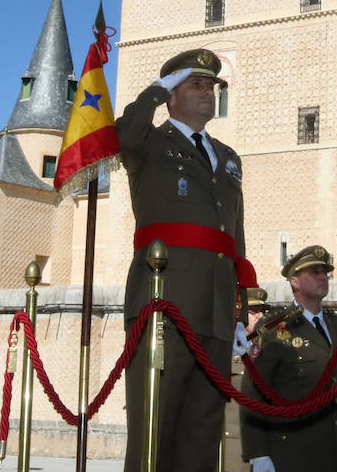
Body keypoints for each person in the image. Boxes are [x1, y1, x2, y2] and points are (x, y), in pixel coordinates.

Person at [117, 48, 252, 472]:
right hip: (164, 306)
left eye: (211, 86)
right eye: (196, 84)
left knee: (203, 430)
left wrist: (239, 311)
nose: (208, 92)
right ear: (173, 93)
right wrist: (155, 92)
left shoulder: (228, 157)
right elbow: (121, 135)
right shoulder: (150, 143)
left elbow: (236, 240)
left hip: (214, 310)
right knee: (154, 428)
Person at [240, 245, 337, 472]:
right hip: (292, 452)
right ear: (295, 281)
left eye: (325, 272)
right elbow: (253, 392)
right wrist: (258, 453)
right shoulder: (275, 328)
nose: (323, 277)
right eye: (314, 272)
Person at [224, 287, 268, 472]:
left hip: (266, 443)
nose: (260, 316)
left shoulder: (270, 348)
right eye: (253, 311)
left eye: (262, 311)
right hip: (234, 443)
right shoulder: (226, 349)